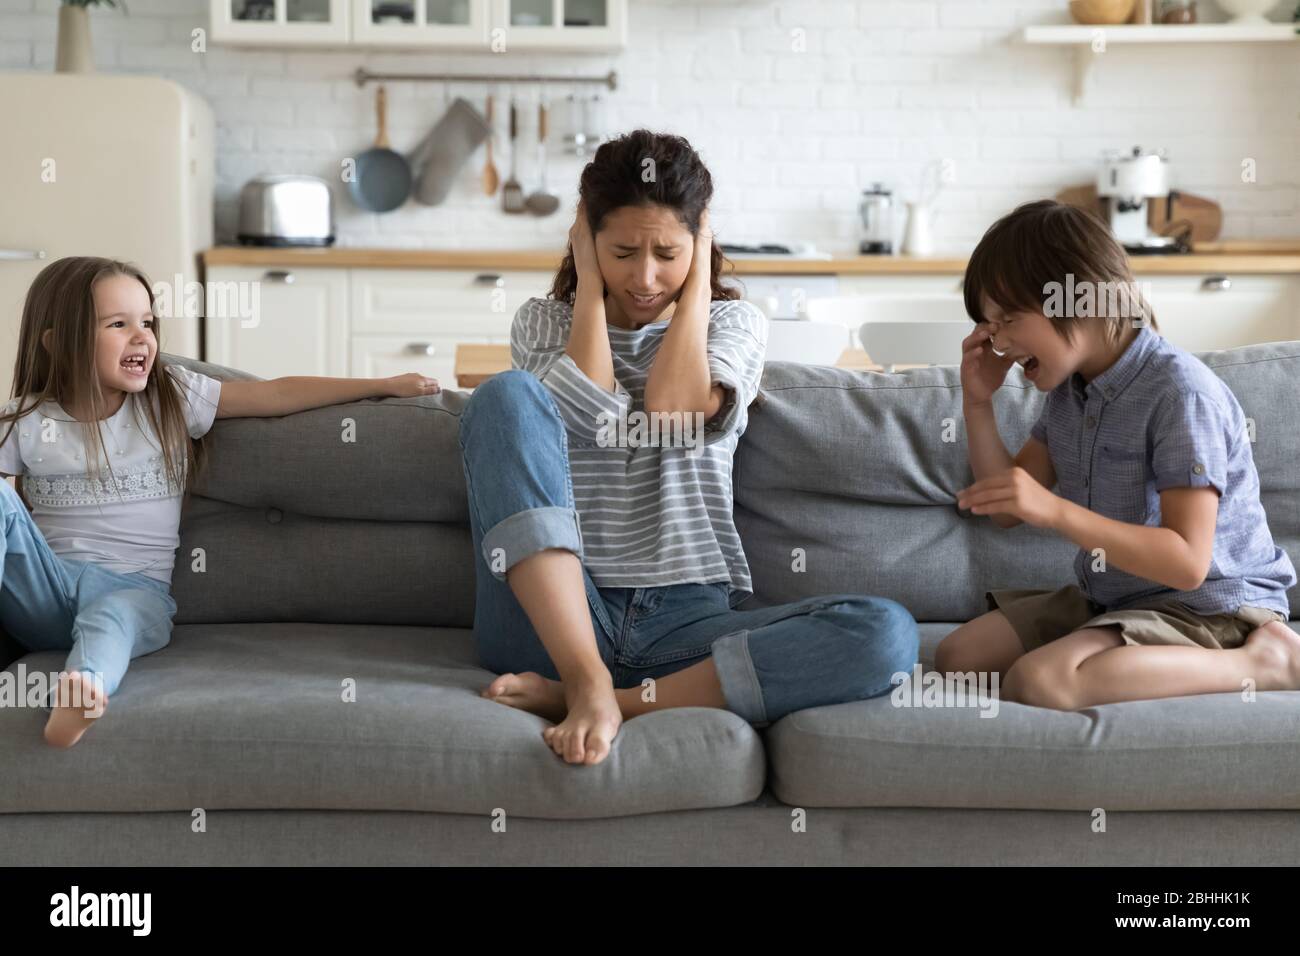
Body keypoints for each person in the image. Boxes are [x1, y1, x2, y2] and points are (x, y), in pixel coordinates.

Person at [459, 129, 918, 766]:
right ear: (585, 238)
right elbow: (587, 415)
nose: (645, 277)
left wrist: (698, 279)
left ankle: (603, 699)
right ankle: (587, 676)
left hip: (685, 618)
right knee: (503, 396)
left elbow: (676, 409)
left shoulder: (734, 325)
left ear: (699, 243)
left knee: (887, 635)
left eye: (668, 253)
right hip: (553, 613)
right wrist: (588, 287)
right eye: (620, 251)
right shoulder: (544, 323)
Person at [0, 256, 439, 747]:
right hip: (47, 590)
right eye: (118, 324)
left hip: (135, 592)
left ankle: (82, 691)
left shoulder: (169, 397)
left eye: (148, 322)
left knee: (110, 619)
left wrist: (381, 384)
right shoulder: (26, 419)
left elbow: (274, 394)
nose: (142, 337)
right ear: (59, 344)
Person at [938, 200, 1299, 709]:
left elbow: (1188, 563)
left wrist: (1057, 511)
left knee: (1041, 682)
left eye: (1007, 319)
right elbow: (1003, 512)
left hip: (1206, 607)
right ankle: (1113, 649)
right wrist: (977, 401)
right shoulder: (1070, 393)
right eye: (988, 324)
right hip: (1117, 597)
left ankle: (1263, 662)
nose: (996, 341)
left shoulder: (1180, 393)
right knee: (959, 658)